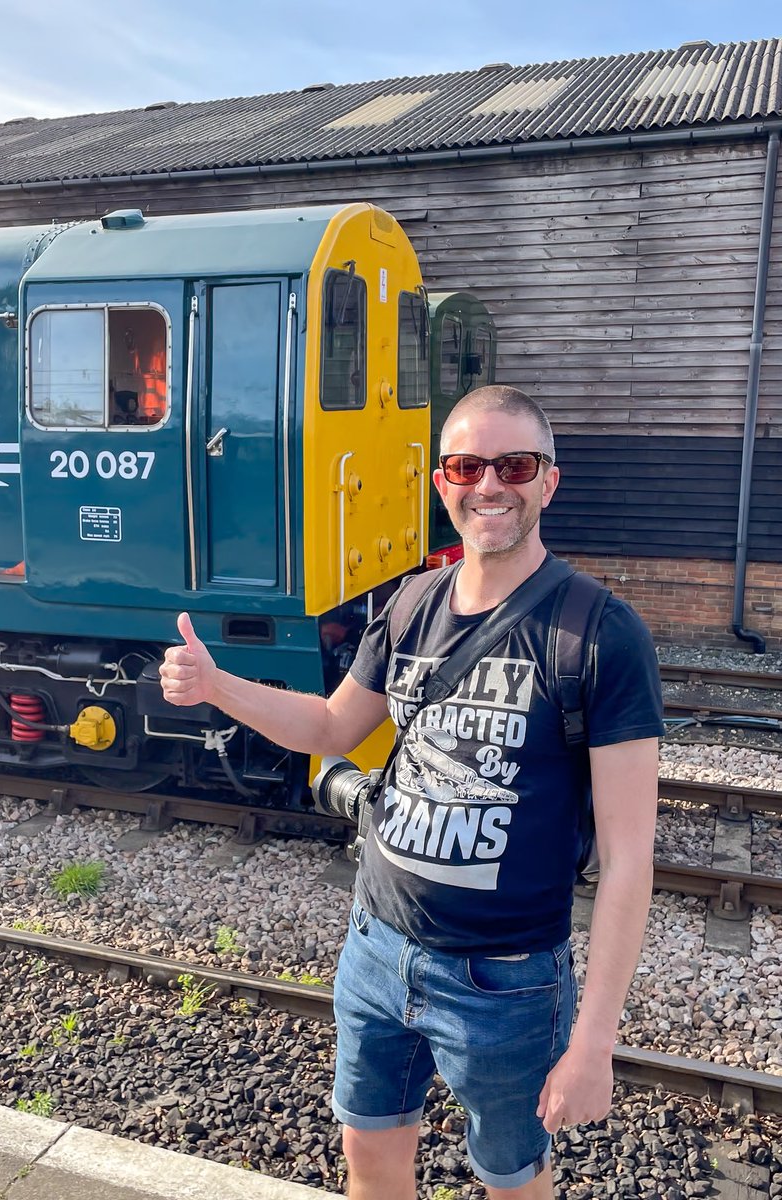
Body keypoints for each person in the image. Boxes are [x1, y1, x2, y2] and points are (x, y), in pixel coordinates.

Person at [160, 385, 664, 1199]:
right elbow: (330, 728)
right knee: (371, 1155)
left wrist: (595, 1040)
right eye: (467, 465)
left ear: (548, 482)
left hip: (506, 982)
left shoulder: (600, 634)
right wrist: (218, 686)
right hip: (376, 949)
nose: (489, 484)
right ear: (442, 483)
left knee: (511, 1180)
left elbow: (632, 856)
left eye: (515, 464)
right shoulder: (410, 604)